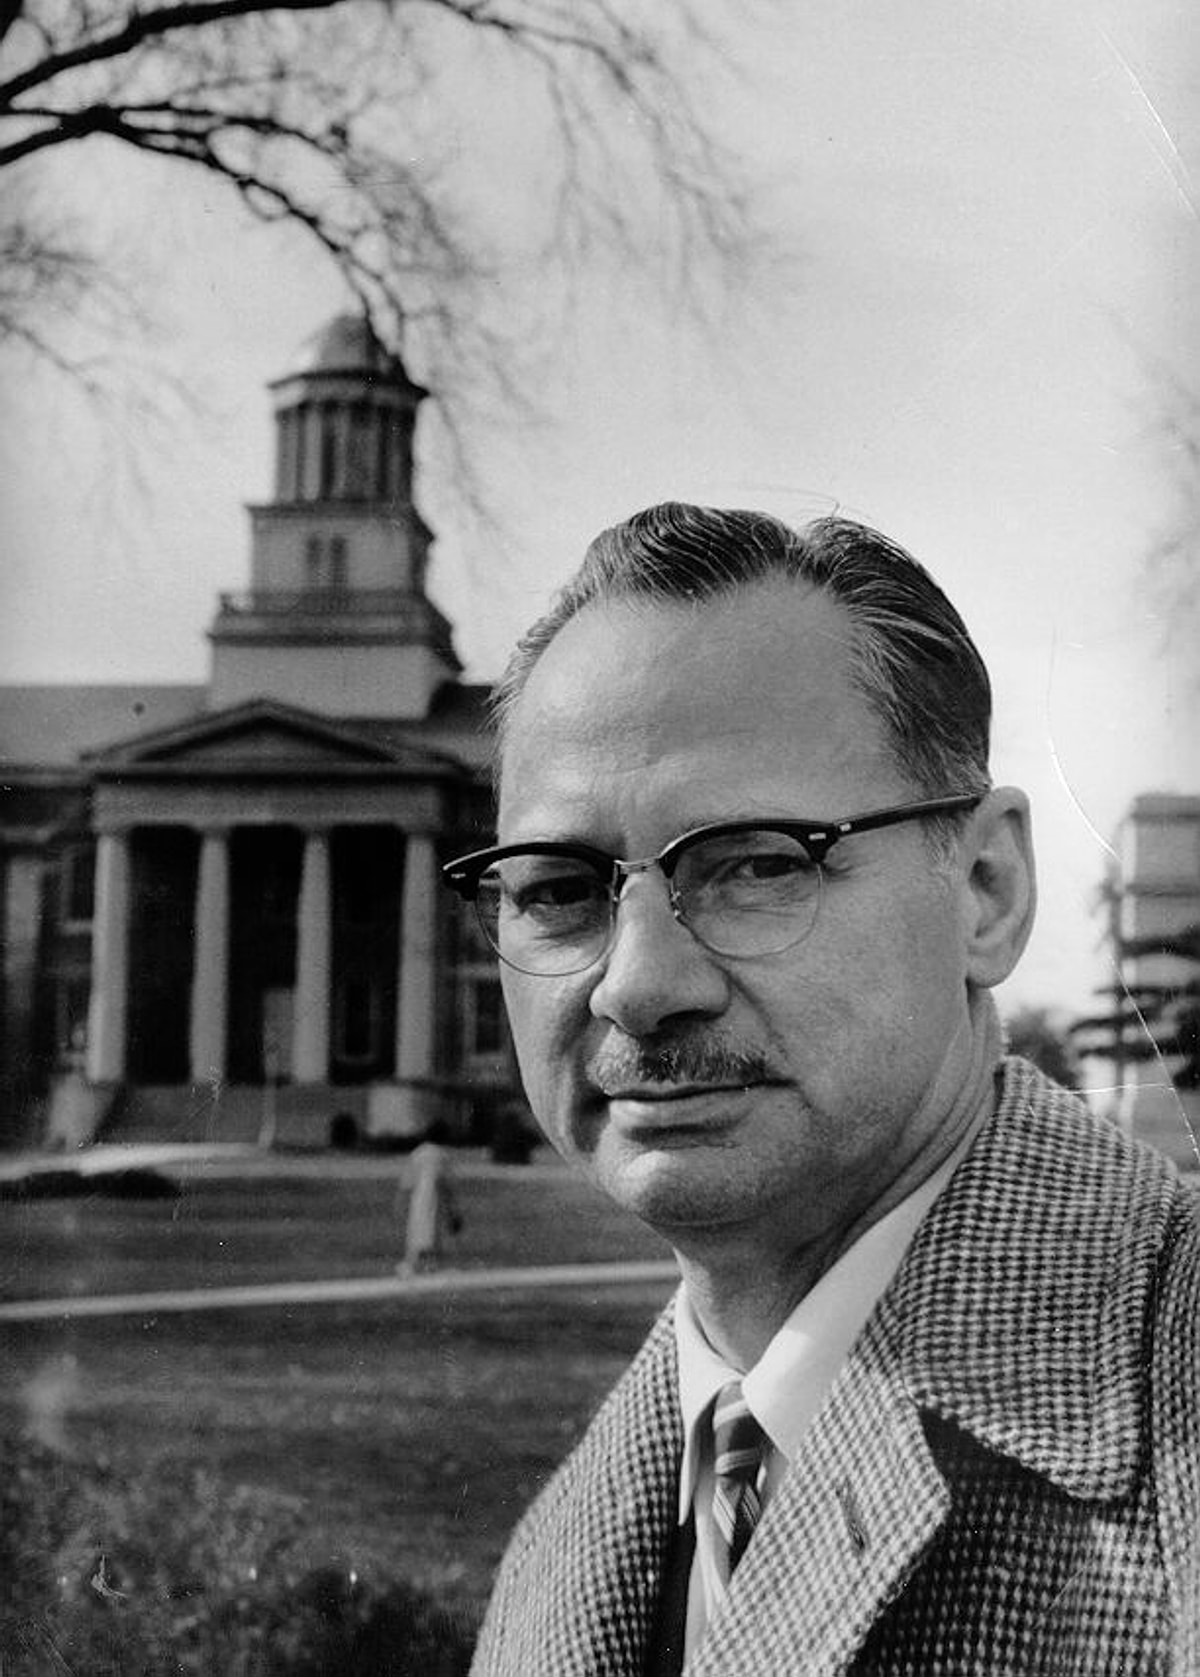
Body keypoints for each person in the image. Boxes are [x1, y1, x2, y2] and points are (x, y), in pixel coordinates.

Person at [445, 503, 1200, 1676]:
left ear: (987, 890)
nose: (637, 987)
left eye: (756, 863)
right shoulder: (565, 1550)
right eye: (558, 890)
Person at [396, 1122, 461, 1276]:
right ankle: (428, 1265)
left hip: (417, 1198)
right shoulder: (442, 1155)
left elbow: (406, 1182)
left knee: (417, 1229)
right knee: (432, 1230)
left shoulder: (417, 1153)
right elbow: (446, 1183)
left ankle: (414, 1263)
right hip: (434, 1197)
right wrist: (453, 1210)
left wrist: (401, 1203)